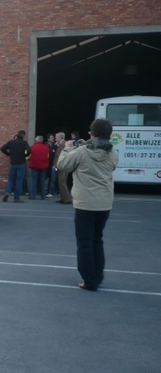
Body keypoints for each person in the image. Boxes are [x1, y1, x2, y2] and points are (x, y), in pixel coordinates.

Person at [57, 119, 119, 291]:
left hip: (85, 204)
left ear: (92, 133)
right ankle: (97, 276)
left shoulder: (83, 152)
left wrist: (69, 148)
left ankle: (89, 280)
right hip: (104, 203)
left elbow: (62, 165)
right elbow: (107, 162)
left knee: (84, 243)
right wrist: (88, 145)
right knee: (97, 240)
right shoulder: (113, 153)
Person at [0, 130, 31, 203]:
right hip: (21, 163)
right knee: (19, 180)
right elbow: (29, 150)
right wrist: (25, 155)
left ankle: (7, 191)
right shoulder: (24, 143)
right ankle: (16, 198)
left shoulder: (11, 142)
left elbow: (2, 148)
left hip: (12, 163)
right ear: (23, 136)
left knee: (11, 179)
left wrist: (8, 154)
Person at [28, 135, 49, 199]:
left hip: (34, 166)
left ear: (36, 140)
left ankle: (33, 195)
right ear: (42, 140)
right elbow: (48, 157)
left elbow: (29, 157)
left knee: (34, 181)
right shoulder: (46, 148)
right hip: (43, 167)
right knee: (42, 181)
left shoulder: (32, 147)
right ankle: (43, 195)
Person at [53, 132, 72, 204]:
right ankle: (63, 197)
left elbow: (59, 155)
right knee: (61, 182)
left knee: (62, 182)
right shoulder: (62, 144)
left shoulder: (62, 144)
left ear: (60, 137)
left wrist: (55, 164)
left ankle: (67, 198)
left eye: (56, 137)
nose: (55, 138)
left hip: (63, 165)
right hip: (63, 165)